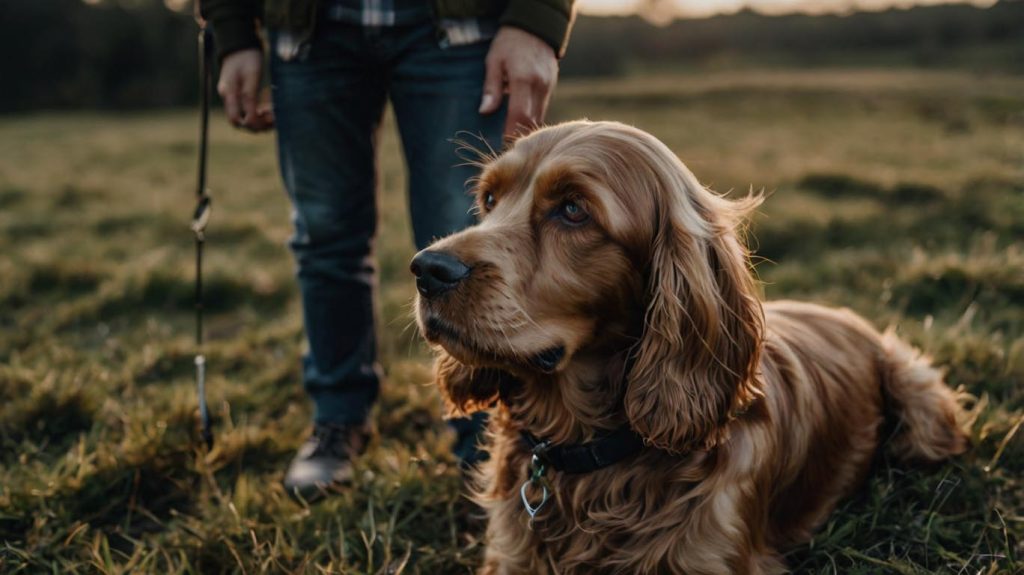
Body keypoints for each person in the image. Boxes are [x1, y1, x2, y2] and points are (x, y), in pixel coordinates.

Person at [198, 0, 575, 500]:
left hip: (459, 28)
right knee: (324, 236)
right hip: (309, 35)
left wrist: (535, 19)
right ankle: (337, 419)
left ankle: (486, 442)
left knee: (473, 234)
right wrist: (233, 32)